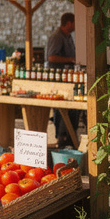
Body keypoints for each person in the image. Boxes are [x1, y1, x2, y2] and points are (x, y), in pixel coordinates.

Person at [46, 12, 77, 147]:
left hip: (67, 77)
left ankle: (69, 135)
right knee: (60, 108)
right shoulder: (57, 37)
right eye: (74, 23)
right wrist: (71, 59)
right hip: (59, 78)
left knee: (72, 108)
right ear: (69, 23)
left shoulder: (68, 37)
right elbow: (51, 57)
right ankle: (61, 136)